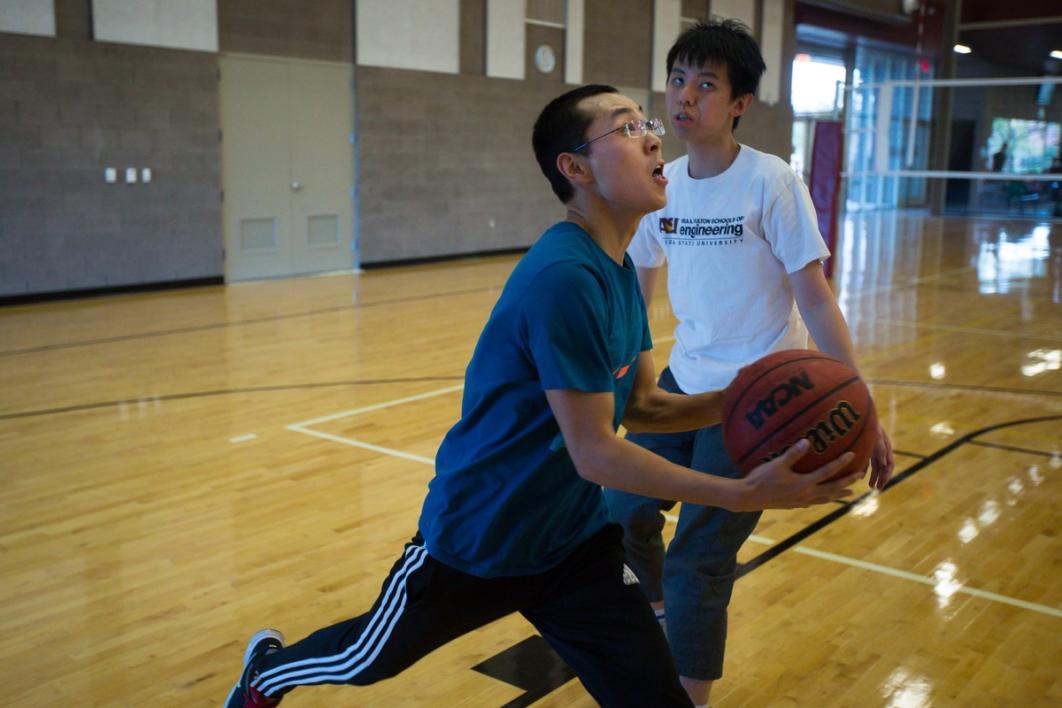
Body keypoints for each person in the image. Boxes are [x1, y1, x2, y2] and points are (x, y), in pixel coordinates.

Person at [224, 84, 862, 708]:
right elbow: (596, 454)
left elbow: (643, 407)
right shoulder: (564, 278)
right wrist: (743, 493)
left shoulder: (615, 267)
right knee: (365, 659)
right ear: (575, 167)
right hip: (480, 536)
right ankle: (267, 673)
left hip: (571, 544)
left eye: (649, 125)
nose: (651, 137)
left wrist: (749, 397)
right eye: (627, 127)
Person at [602, 20, 895, 708]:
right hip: (681, 382)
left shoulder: (774, 182)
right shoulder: (660, 185)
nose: (685, 98)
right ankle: (659, 609)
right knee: (617, 512)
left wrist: (863, 400)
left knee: (700, 558)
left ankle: (689, 697)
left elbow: (815, 297)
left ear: (738, 103)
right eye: (677, 81)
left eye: (706, 85)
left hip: (764, 392)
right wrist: (622, 368)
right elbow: (635, 286)